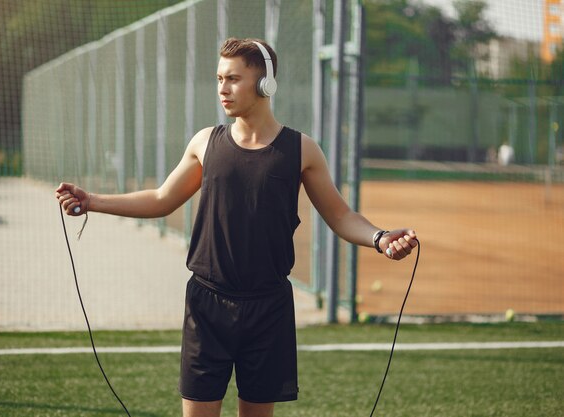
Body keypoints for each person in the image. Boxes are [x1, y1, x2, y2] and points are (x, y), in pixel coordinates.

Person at [56, 37, 418, 417]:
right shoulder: (205, 142)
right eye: (219, 78)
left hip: (269, 308)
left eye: (233, 79)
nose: (222, 89)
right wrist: (93, 201)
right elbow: (162, 199)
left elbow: (341, 216)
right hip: (206, 304)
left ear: (265, 84)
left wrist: (379, 238)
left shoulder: (301, 149)